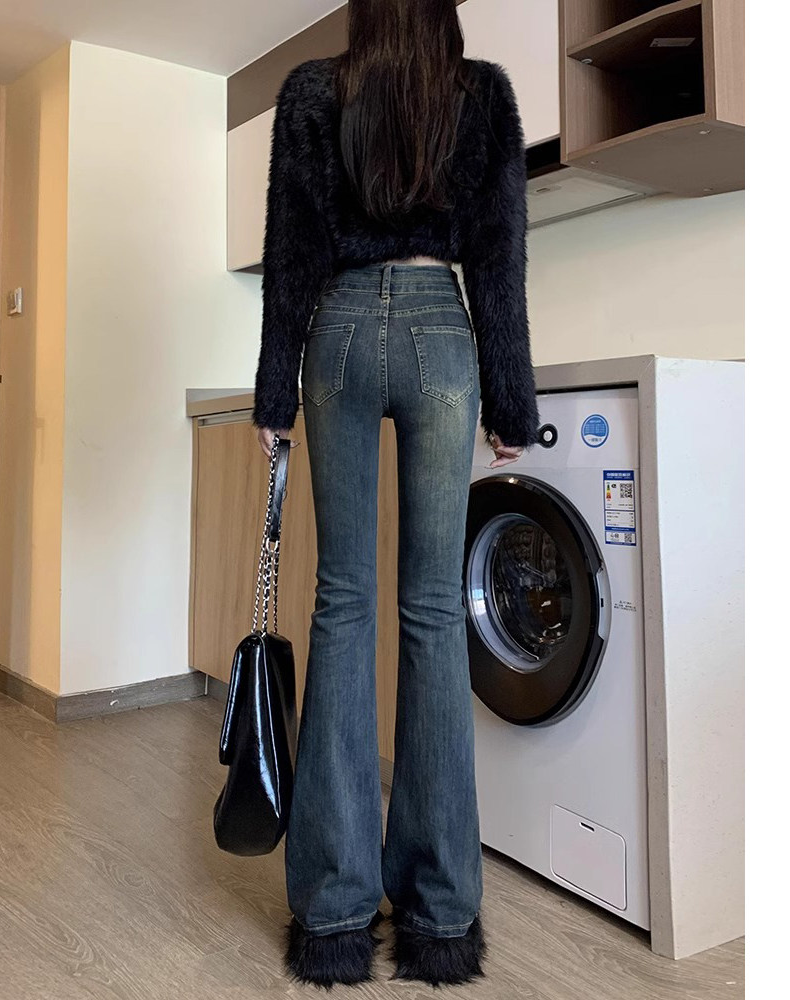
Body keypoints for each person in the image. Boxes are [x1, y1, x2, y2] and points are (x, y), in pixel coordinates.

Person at [250, 0, 540, 988]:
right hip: (439, 333)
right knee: (433, 613)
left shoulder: (312, 93)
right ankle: (439, 918)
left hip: (336, 329)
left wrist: (273, 393)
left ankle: (334, 919)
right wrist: (511, 396)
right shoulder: (482, 94)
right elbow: (498, 253)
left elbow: (291, 254)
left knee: (342, 604)